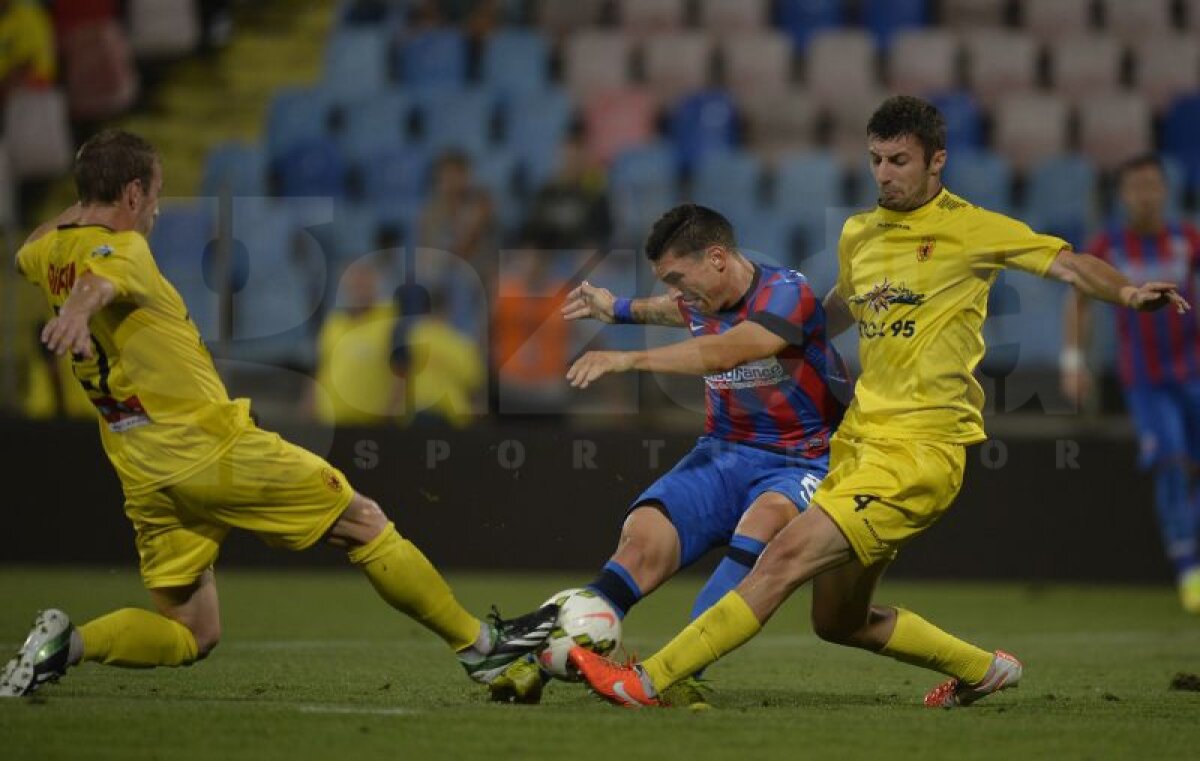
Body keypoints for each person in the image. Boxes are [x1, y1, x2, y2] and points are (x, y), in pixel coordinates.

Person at [566, 95, 1190, 709]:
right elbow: (824, 316)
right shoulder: (860, 234)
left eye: (899, 161)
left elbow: (1073, 265)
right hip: (857, 445)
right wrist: (748, 334)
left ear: (936, 161)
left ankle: (646, 680)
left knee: (780, 557)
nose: (885, 175)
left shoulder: (973, 229)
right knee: (838, 621)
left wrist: (1130, 294)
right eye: (876, 160)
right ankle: (985, 670)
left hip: (923, 451)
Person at [0, 130, 555, 699]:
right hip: (210, 448)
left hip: (141, 468)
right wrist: (76, 309)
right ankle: (481, 649)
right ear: (135, 193)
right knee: (364, 521)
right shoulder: (125, 250)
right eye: (157, 194)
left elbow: (32, 250)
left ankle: (66, 645)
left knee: (193, 631)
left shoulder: (52, 251)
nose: (159, 210)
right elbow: (99, 281)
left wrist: (86, 210)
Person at [488, 204, 848, 707]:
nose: (678, 290)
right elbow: (670, 309)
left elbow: (728, 351)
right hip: (721, 454)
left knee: (762, 524)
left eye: (679, 276)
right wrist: (613, 307)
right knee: (641, 542)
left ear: (718, 258)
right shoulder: (699, 299)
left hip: (802, 461)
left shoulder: (788, 294)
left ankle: (680, 670)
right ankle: (542, 662)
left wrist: (628, 357)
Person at [1062, 154, 1200, 613]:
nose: (1146, 195)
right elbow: (1079, 302)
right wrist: (1074, 361)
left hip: (1195, 371)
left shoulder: (1189, 240)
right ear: (1122, 196)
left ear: (1165, 191)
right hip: (1146, 380)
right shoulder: (1107, 245)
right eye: (1136, 187)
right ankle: (1188, 570)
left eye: (1153, 186)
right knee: (1171, 464)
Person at [307, 259, 397, 426]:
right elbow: (320, 368)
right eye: (354, 283)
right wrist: (310, 405)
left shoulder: (390, 321)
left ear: (375, 286)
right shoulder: (333, 323)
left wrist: (391, 414)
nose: (359, 289)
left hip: (373, 425)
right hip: (331, 423)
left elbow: (402, 372)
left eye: (364, 283)